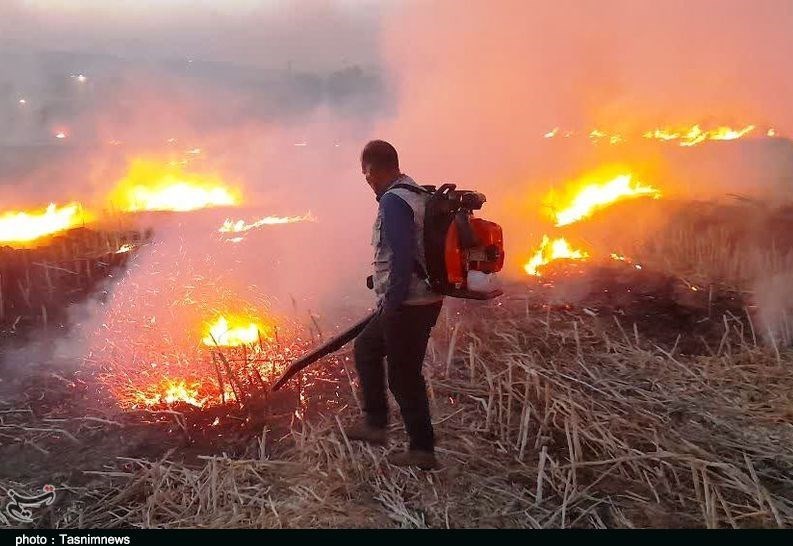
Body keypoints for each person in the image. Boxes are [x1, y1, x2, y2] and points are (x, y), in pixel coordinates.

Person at [344, 140, 444, 470]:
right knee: (371, 349)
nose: (367, 181)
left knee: (400, 374)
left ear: (375, 169)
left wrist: (393, 300)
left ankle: (414, 445)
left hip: (408, 303)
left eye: (366, 174)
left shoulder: (393, 201)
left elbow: (402, 256)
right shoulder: (417, 193)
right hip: (425, 297)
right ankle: (384, 427)